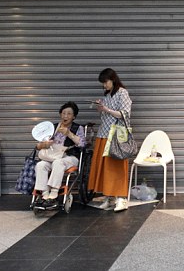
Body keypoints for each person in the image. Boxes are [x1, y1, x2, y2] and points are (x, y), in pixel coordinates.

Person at [88, 67, 132, 212]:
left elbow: (124, 114)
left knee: (116, 166)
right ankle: (109, 196)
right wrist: (100, 108)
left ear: (112, 79)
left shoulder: (122, 93)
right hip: (104, 133)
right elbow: (106, 116)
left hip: (117, 134)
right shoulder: (107, 95)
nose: (104, 85)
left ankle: (121, 198)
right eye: (103, 83)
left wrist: (106, 109)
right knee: (105, 166)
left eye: (105, 82)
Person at [34, 101, 87, 209]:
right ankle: (44, 195)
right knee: (40, 165)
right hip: (51, 157)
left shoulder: (77, 128)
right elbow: (37, 146)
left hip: (69, 157)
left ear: (74, 117)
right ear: (60, 114)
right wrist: (44, 144)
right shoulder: (52, 128)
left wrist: (69, 134)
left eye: (69, 114)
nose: (65, 116)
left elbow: (82, 144)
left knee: (59, 163)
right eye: (63, 113)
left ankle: (53, 194)